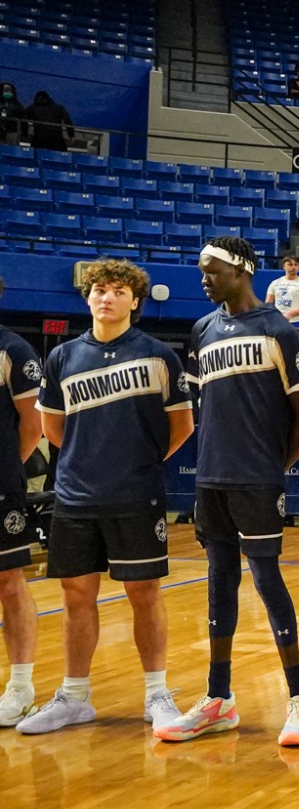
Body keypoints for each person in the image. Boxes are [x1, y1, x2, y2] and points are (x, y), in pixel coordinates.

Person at [151, 239, 299, 745]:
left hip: (258, 479)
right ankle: (218, 698)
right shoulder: (201, 330)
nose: (203, 278)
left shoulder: (278, 330)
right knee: (218, 582)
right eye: (201, 270)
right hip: (211, 478)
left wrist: (273, 467)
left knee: (267, 581)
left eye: (212, 270)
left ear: (242, 270)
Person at [17, 259, 193, 738]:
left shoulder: (160, 356)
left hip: (137, 494)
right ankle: (74, 697)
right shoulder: (64, 356)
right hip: (75, 496)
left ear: (135, 300)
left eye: (117, 290)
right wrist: (82, 460)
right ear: (87, 297)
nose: (106, 296)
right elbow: (53, 426)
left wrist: (141, 461)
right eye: (98, 289)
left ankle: (157, 693)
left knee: (144, 592)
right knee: (76, 594)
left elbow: (181, 426)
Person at [0, 282, 44, 728]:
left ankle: (21, 687)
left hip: (1, 486)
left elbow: (33, 427)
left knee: (9, 583)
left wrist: (6, 470)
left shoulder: (14, 350)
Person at [263, 256, 299, 326]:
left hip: (296, 322)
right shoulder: (275, 283)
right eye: (290, 264)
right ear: (284, 266)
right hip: (277, 321)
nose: (293, 267)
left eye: (296, 265)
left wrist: (289, 314)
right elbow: (268, 304)